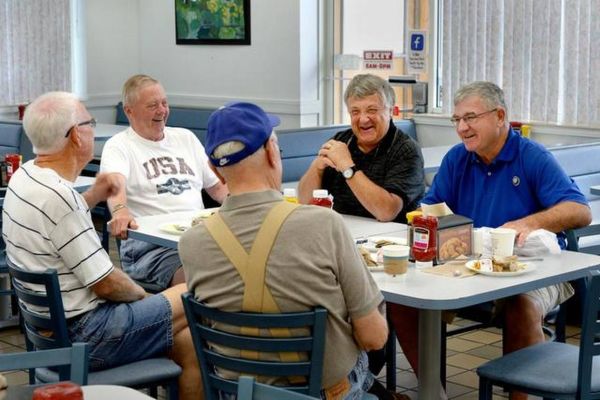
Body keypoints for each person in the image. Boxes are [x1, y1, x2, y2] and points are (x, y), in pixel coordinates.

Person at [179, 102, 397, 400]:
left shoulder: (191, 242)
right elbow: (374, 338)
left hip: (237, 394)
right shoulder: (324, 224)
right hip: (324, 393)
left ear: (214, 168)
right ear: (271, 151)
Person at [388, 81, 592, 400]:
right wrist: (430, 221)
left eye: (470, 117)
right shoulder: (458, 159)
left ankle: (519, 396)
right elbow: (431, 207)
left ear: (499, 116)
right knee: (402, 300)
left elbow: (580, 210)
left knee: (520, 306)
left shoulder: (531, 156)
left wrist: (527, 223)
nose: (462, 128)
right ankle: (433, 392)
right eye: (456, 120)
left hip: (531, 267)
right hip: (469, 265)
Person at [2, 92, 202, 400]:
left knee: (189, 343)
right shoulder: (60, 197)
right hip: (89, 335)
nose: (92, 129)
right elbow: (107, 284)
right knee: (198, 290)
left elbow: (55, 223)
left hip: (49, 332)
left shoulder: (26, 177)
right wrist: (144, 297)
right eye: (89, 123)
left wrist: (94, 195)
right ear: (75, 137)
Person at [100, 74, 228, 290]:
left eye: (164, 103)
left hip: (199, 239)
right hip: (150, 249)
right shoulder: (119, 146)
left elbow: (217, 187)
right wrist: (121, 211)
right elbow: (115, 185)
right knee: (204, 281)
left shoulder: (185, 138)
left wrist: (247, 202)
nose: (162, 110)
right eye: (152, 105)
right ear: (129, 111)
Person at [298, 73, 425, 223]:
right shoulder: (340, 141)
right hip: (343, 231)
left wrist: (347, 168)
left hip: (391, 240)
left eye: (372, 110)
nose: (363, 119)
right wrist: (317, 168)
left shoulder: (406, 150)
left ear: (390, 111)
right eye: (355, 112)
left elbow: (386, 212)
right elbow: (304, 203)